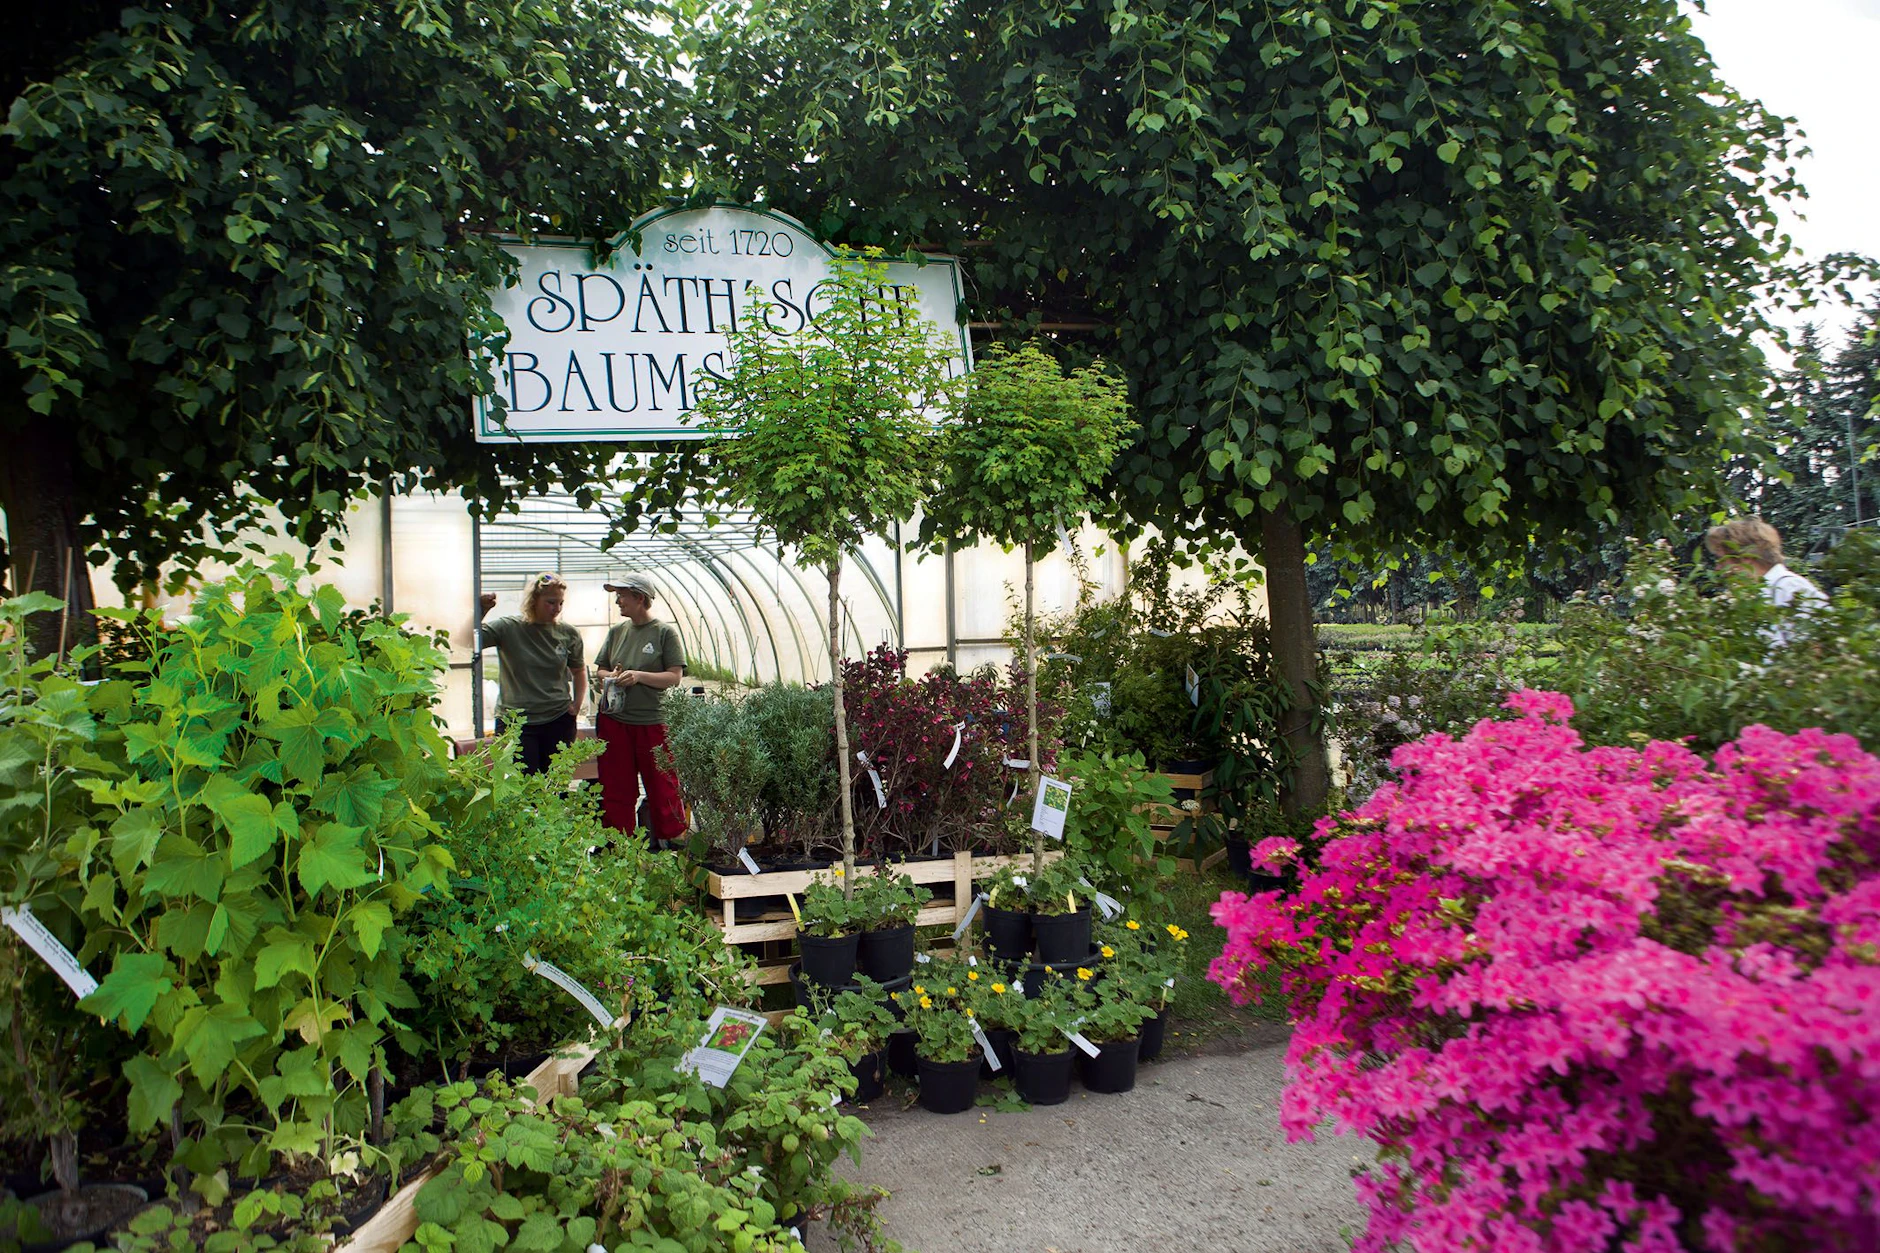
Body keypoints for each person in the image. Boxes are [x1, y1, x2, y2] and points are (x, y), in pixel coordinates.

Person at [593, 574, 687, 844]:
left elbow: (674, 677)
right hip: (615, 721)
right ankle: (619, 844)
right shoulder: (617, 632)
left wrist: (639, 676)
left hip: (651, 722)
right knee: (616, 785)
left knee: (662, 785)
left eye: (621, 595)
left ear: (640, 598)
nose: (617, 601)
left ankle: (672, 841)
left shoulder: (664, 633)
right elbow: (600, 670)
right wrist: (612, 676)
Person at [477, 573, 586, 774]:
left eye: (561, 603)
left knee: (554, 783)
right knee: (524, 784)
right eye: (551, 602)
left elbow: (579, 670)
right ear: (533, 600)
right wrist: (481, 610)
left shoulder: (568, 633)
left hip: (558, 719)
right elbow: (469, 640)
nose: (557, 609)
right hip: (516, 722)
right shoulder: (508, 628)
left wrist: (577, 704)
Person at [1703, 517, 1827, 646]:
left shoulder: (1791, 589)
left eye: (1722, 560)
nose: (1718, 568)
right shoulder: (1753, 596)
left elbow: (1816, 648)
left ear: (1746, 557)